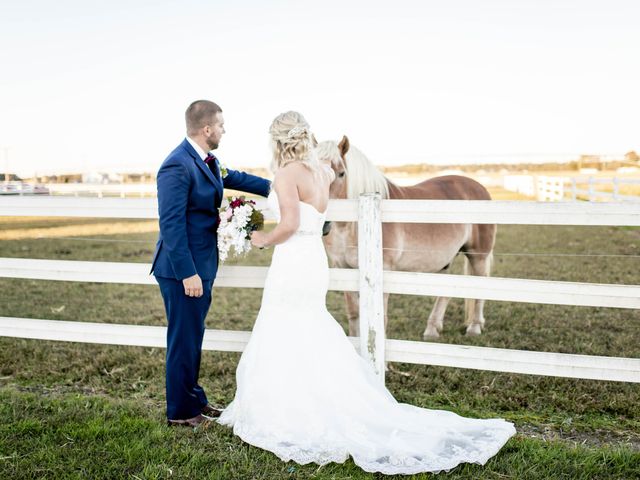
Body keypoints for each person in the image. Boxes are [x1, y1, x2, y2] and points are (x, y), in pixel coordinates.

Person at [218, 111, 516, 475]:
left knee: (284, 324)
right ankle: (319, 395)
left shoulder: (286, 174)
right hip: (313, 259)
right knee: (307, 325)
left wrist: (262, 237)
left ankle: (288, 404)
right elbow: (325, 192)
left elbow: (291, 223)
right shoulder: (321, 173)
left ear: (277, 141)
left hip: (293, 258)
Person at [151, 100, 271, 427]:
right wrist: (188, 273)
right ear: (207, 129)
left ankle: (195, 401)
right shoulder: (177, 165)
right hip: (182, 270)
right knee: (183, 339)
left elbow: (238, 178)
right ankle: (181, 412)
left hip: (201, 265)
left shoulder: (207, 160)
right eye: (221, 125)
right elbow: (171, 225)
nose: (224, 130)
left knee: (193, 336)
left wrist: (280, 187)